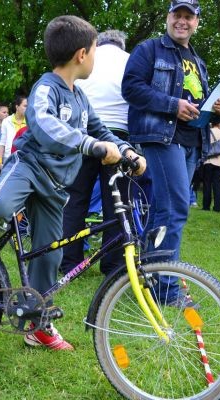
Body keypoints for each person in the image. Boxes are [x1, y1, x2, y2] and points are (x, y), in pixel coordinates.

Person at [0, 15, 145, 351]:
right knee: (1, 204)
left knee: (48, 256)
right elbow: (43, 124)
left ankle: (38, 325)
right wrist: (90, 146)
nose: (96, 59)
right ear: (82, 55)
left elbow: (101, 130)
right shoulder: (46, 88)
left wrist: (127, 151)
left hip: (56, 186)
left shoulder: (81, 97)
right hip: (29, 168)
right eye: (95, 52)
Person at [122, 0, 220, 307]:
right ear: (168, 17)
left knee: (161, 210)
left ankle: (146, 279)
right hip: (161, 138)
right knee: (175, 208)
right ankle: (166, 291)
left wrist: (216, 107)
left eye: (188, 17)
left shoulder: (198, 60)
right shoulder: (149, 50)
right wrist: (172, 105)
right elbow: (131, 88)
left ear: (197, 22)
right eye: (177, 15)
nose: (182, 21)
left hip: (192, 141)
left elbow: (197, 102)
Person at [59, 29, 131, 277]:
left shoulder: (85, 58)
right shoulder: (130, 60)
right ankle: (113, 264)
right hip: (118, 135)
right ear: (121, 45)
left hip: (82, 134)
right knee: (116, 202)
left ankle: (69, 261)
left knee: (75, 200)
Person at [201, 114, 220, 212]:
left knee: (207, 184)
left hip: (208, 161)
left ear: (211, 123)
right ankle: (217, 207)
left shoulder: (207, 132)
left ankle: (206, 206)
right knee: (217, 184)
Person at [0, 95, 27, 167]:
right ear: (17, 107)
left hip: (25, 159)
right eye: (25, 106)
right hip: (9, 158)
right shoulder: (6, 121)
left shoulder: (30, 121)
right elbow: (2, 142)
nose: (27, 108)